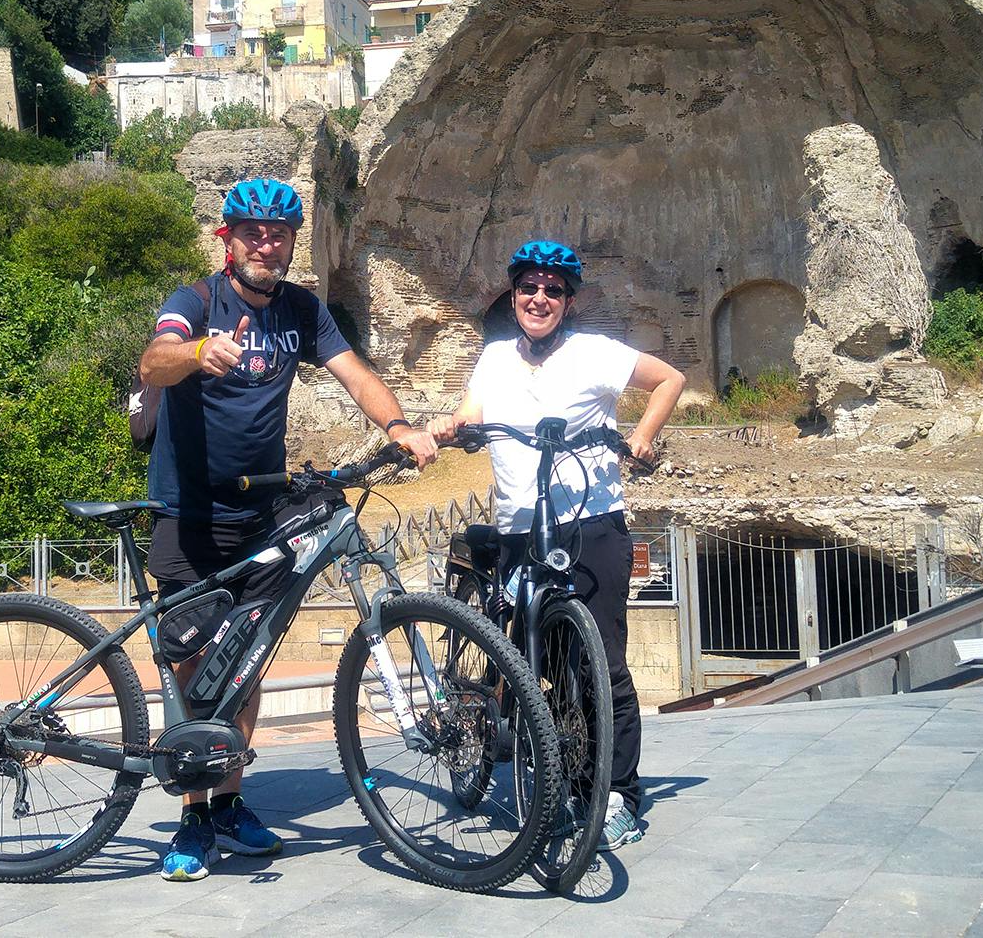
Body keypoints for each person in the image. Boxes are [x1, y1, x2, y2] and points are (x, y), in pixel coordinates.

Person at [139, 176, 437, 882]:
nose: (265, 244)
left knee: (246, 658)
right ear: (228, 238)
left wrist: (397, 426)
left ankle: (230, 801)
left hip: (258, 510)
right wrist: (197, 354)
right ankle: (190, 815)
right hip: (188, 513)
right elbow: (154, 358)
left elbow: (353, 371)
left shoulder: (302, 310)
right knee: (191, 665)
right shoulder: (196, 303)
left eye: (278, 234)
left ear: (293, 243)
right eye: (252, 232)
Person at [428, 240, 685, 851]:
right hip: (521, 530)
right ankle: (545, 768)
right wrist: (448, 424)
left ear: (569, 302)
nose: (538, 299)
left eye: (552, 291)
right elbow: (469, 414)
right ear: (512, 296)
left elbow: (669, 379)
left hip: (590, 525)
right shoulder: (493, 358)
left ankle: (618, 794)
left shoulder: (594, 353)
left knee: (601, 666)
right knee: (532, 663)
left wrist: (643, 437)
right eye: (528, 289)